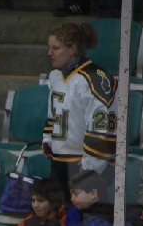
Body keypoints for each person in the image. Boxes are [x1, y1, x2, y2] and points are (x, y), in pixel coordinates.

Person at [43, 23, 117, 206]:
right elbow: (53, 112)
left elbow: (101, 125)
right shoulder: (54, 76)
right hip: (59, 161)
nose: (49, 53)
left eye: (56, 48)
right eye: (49, 47)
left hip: (82, 164)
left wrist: (91, 165)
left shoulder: (95, 79)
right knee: (61, 217)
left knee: (87, 218)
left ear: (73, 49)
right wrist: (48, 139)